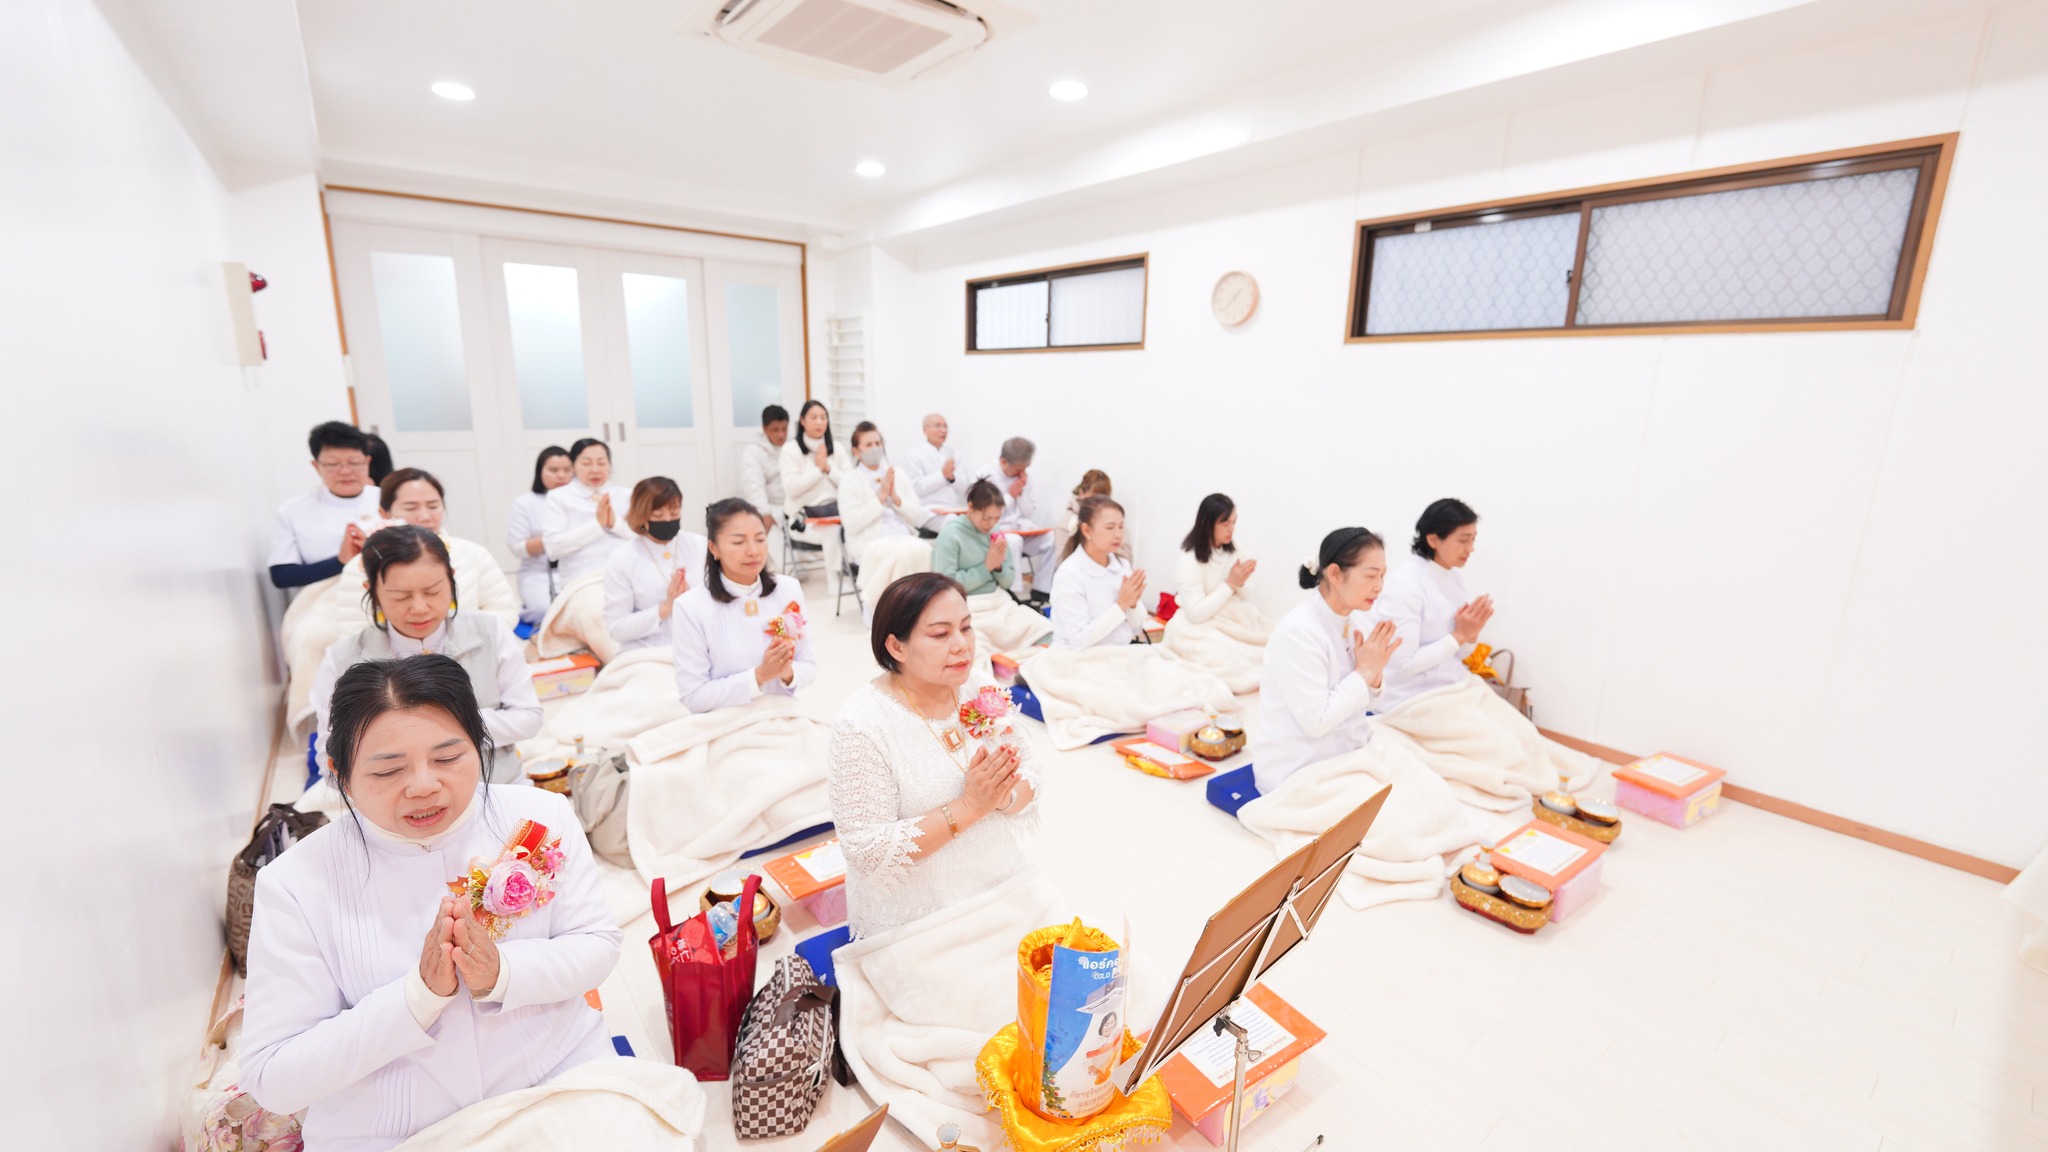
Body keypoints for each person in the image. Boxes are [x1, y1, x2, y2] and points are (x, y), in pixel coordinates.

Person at [241, 656, 620, 1152]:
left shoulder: (539, 817)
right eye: (388, 769)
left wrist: (500, 973)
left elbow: (598, 945)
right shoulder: (293, 884)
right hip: (390, 1132)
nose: (424, 785)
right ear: (339, 775)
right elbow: (274, 1076)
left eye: (448, 758)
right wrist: (417, 998)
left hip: (557, 1084)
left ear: (481, 747)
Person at [828, 572, 1039, 938]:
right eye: (940, 634)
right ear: (897, 647)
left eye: (967, 627)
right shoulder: (862, 725)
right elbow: (867, 852)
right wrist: (971, 806)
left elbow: (1032, 775)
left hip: (1000, 883)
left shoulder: (980, 687)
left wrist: (1003, 798)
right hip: (918, 918)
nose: (962, 645)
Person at [308, 526, 541, 787]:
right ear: (371, 591)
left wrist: (436, 726)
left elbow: (529, 718)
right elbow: (329, 760)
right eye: (400, 596)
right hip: (395, 802)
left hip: (495, 785)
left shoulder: (490, 633)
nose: (419, 608)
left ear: (452, 579)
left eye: (432, 592)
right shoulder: (343, 659)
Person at [1253, 528, 1403, 794]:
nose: (1379, 586)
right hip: (1300, 768)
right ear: (1334, 574)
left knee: (1422, 787)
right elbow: (1317, 721)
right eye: (1370, 575)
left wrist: (1375, 674)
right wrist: (1364, 672)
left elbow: (1374, 702)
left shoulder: (1358, 618)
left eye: (1382, 575)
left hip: (1349, 750)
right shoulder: (1298, 631)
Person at [671, 498, 816, 712]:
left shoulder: (788, 589)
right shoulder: (691, 607)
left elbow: (809, 666)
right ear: (714, 548)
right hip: (724, 722)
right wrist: (759, 676)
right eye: (739, 542)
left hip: (781, 715)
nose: (753, 551)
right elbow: (693, 696)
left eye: (760, 539)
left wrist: (787, 673)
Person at [329, 468, 520, 629]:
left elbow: (505, 612)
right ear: (384, 513)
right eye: (411, 508)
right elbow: (353, 630)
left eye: (433, 506)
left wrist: (453, 639)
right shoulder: (360, 566)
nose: (425, 517)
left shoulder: (473, 553)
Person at [1369, 498, 1493, 712]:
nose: (1471, 548)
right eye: (1463, 540)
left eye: (1473, 539)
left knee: (1523, 734)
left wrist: (1470, 634)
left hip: (1453, 687)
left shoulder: (1454, 579)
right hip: (1411, 700)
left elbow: (1460, 654)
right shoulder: (1406, 585)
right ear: (1434, 539)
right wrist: (1459, 636)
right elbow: (1404, 666)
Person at [1161, 493, 1274, 693]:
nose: (1231, 528)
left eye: (1234, 522)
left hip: (1232, 617)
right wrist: (1230, 584)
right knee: (1230, 661)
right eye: (1225, 523)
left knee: (1270, 647)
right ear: (1208, 523)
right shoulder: (1189, 560)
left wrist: (1239, 582)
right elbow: (1196, 614)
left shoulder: (1234, 548)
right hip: (1199, 624)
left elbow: (1247, 594)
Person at [269, 421, 381, 591]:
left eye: (354, 462)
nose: (345, 471)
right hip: (323, 604)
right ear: (316, 466)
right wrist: (339, 562)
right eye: (333, 464)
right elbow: (281, 575)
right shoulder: (293, 512)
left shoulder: (389, 500)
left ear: (367, 462)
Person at [602, 476, 707, 655]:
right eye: (658, 515)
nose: (667, 520)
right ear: (641, 516)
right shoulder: (622, 559)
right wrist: (665, 607)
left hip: (699, 647)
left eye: (674, 513)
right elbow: (616, 628)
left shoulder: (701, 545)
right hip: (646, 652)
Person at [1049, 496, 1147, 649]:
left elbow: (1137, 628)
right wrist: (1121, 605)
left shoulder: (1122, 565)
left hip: (1118, 654)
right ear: (1087, 530)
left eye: (1121, 527)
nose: (1118, 534)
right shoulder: (1069, 573)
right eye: (1110, 527)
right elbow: (1080, 640)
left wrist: (1133, 605)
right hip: (1077, 659)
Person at [972, 436, 1057, 604]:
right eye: (1019, 468)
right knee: (1014, 541)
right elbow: (985, 515)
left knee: (1052, 539)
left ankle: (1041, 589)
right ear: (1004, 462)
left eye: (1025, 468)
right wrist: (1010, 495)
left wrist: (1022, 492)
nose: (1022, 472)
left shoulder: (1024, 477)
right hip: (995, 530)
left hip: (1019, 526)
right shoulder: (985, 475)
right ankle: (1014, 593)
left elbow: (1028, 512)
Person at [541, 438, 634, 586]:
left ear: (610, 466)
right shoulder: (558, 497)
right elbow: (553, 548)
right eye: (586, 463)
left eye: (602, 463)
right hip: (583, 580)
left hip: (628, 575)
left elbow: (643, 538)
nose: (595, 470)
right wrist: (597, 525)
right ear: (573, 466)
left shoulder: (628, 495)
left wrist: (614, 523)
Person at [839, 422, 927, 564]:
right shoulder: (849, 481)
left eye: (878, 443)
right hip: (869, 544)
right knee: (895, 558)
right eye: (868, 445)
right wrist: (880, 499)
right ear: (856, 452)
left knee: (925, 551)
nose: (875, 448)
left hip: (903, 538)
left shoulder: (897, 474)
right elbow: (852, 524)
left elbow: (918, 518)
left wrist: (896, 499)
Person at [508, 446, 572, 625]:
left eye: (567, 470)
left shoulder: (582, 501)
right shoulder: (524, 503)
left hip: (575, 568)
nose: (561, 476)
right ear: (540, 472)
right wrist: (554, 538)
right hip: (538, 572)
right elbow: (517, 548)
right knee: (544, 611)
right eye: (553, 470)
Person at [929, 480, 1014, 598]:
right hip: (966, 603)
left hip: (997, 598)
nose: (991, 524)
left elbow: (1008, 583)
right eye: (987, 518)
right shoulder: (951, 535)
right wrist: (987, 567)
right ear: (970, 507)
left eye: (997, 518)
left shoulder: (995, 531)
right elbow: (946, 587)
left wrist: (998, 567)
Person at [778, 399, 846, 524]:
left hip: (836, 513)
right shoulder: (791, 449)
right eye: (813, 418)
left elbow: (850, 484)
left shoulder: (837, 448)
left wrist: (828, 469)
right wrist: (818, 470)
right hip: (803, 517)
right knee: (832, 537)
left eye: (823, 417)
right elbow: (792, 489)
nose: (819, 422)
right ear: (802, 421)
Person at [900, 412, 968, 533]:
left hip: (954, 509)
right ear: (925, 430)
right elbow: (916, 488)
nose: (943, 430)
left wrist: (952, 478)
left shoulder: (954, 454)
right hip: (929, 511)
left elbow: (965, 488)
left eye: (945, 426)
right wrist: (942, 476)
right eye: (938, 426)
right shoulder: (915, 455)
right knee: (954, 525)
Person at [1053, 470, 1131, 564]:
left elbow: (1127, 557)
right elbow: (1060, 561)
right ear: (1082, 493)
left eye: (1105, 497)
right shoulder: (1067, 523)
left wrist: (1107, 549)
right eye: (1094, 497)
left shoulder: (1115, 521)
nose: (1100, 502)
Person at [737, 404, 789, 520]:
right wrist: (764, 513)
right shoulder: (753, 452)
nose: (781, 435)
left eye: (784, 429)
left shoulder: (792, 448)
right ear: (764, 428)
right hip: (768, 511)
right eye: (775, 430)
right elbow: (754, 487)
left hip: (793, 509)